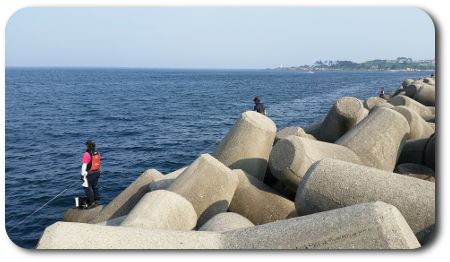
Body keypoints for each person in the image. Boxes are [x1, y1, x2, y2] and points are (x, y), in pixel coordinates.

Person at [80, 140, 101, 209]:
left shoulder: (86, 154)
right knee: (95, 187)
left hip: (89, 174)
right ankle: (96, 201)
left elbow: (84, 166)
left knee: (87, 188)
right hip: (97, 173)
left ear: (88, 145)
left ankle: (91, 202)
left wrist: (82, 175)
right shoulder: (98, 153)